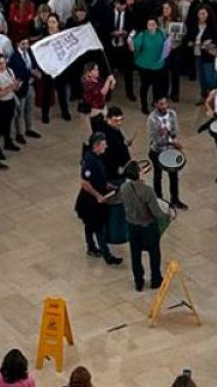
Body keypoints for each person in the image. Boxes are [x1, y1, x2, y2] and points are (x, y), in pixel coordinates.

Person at [75, 132, 122, 266]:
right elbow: (85, 183)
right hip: (90, 201)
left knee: (90, 225)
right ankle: (108, 257)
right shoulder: (89, 160)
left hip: (96, 197)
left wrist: (110, 186)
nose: (105, 146)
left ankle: (91, 247)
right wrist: (98, 195)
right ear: (96, 145)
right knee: (99, 228)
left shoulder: (98, 157)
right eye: (103, 144)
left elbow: (100, 178)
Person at [118, 160, 165, 291]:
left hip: (132, 226)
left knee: (135, 254)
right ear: (139, 173)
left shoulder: (124, 188)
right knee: (154, 252)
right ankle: (156, 278)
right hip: (147, 226)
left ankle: (138, 281)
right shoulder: (147, 191)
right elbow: (157, 213)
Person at [147, 97, 187, 209]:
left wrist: (169, 134)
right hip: (157, 151)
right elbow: (154, 138)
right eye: (161, 104)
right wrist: (161, 136)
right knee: (157, 175)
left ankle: (175, 200)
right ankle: (158, 199)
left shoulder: (172, 114)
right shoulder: (152, 119)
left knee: (174, 176)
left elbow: (175, 131)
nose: (164, 106)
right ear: (155, 104)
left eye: (165, 103)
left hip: (170, 150)